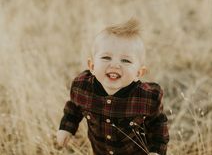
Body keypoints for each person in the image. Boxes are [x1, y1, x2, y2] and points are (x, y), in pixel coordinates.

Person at [57, 19, 169, 155]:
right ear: (92, 66)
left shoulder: (146, 97)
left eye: (125, 60)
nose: (115, 65)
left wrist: (156, 151)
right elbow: (73, 109)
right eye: (106, 57)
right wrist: (66, 128)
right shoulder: (83, 87)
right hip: (100, 150)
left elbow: (158, 125)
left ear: (138, 73)